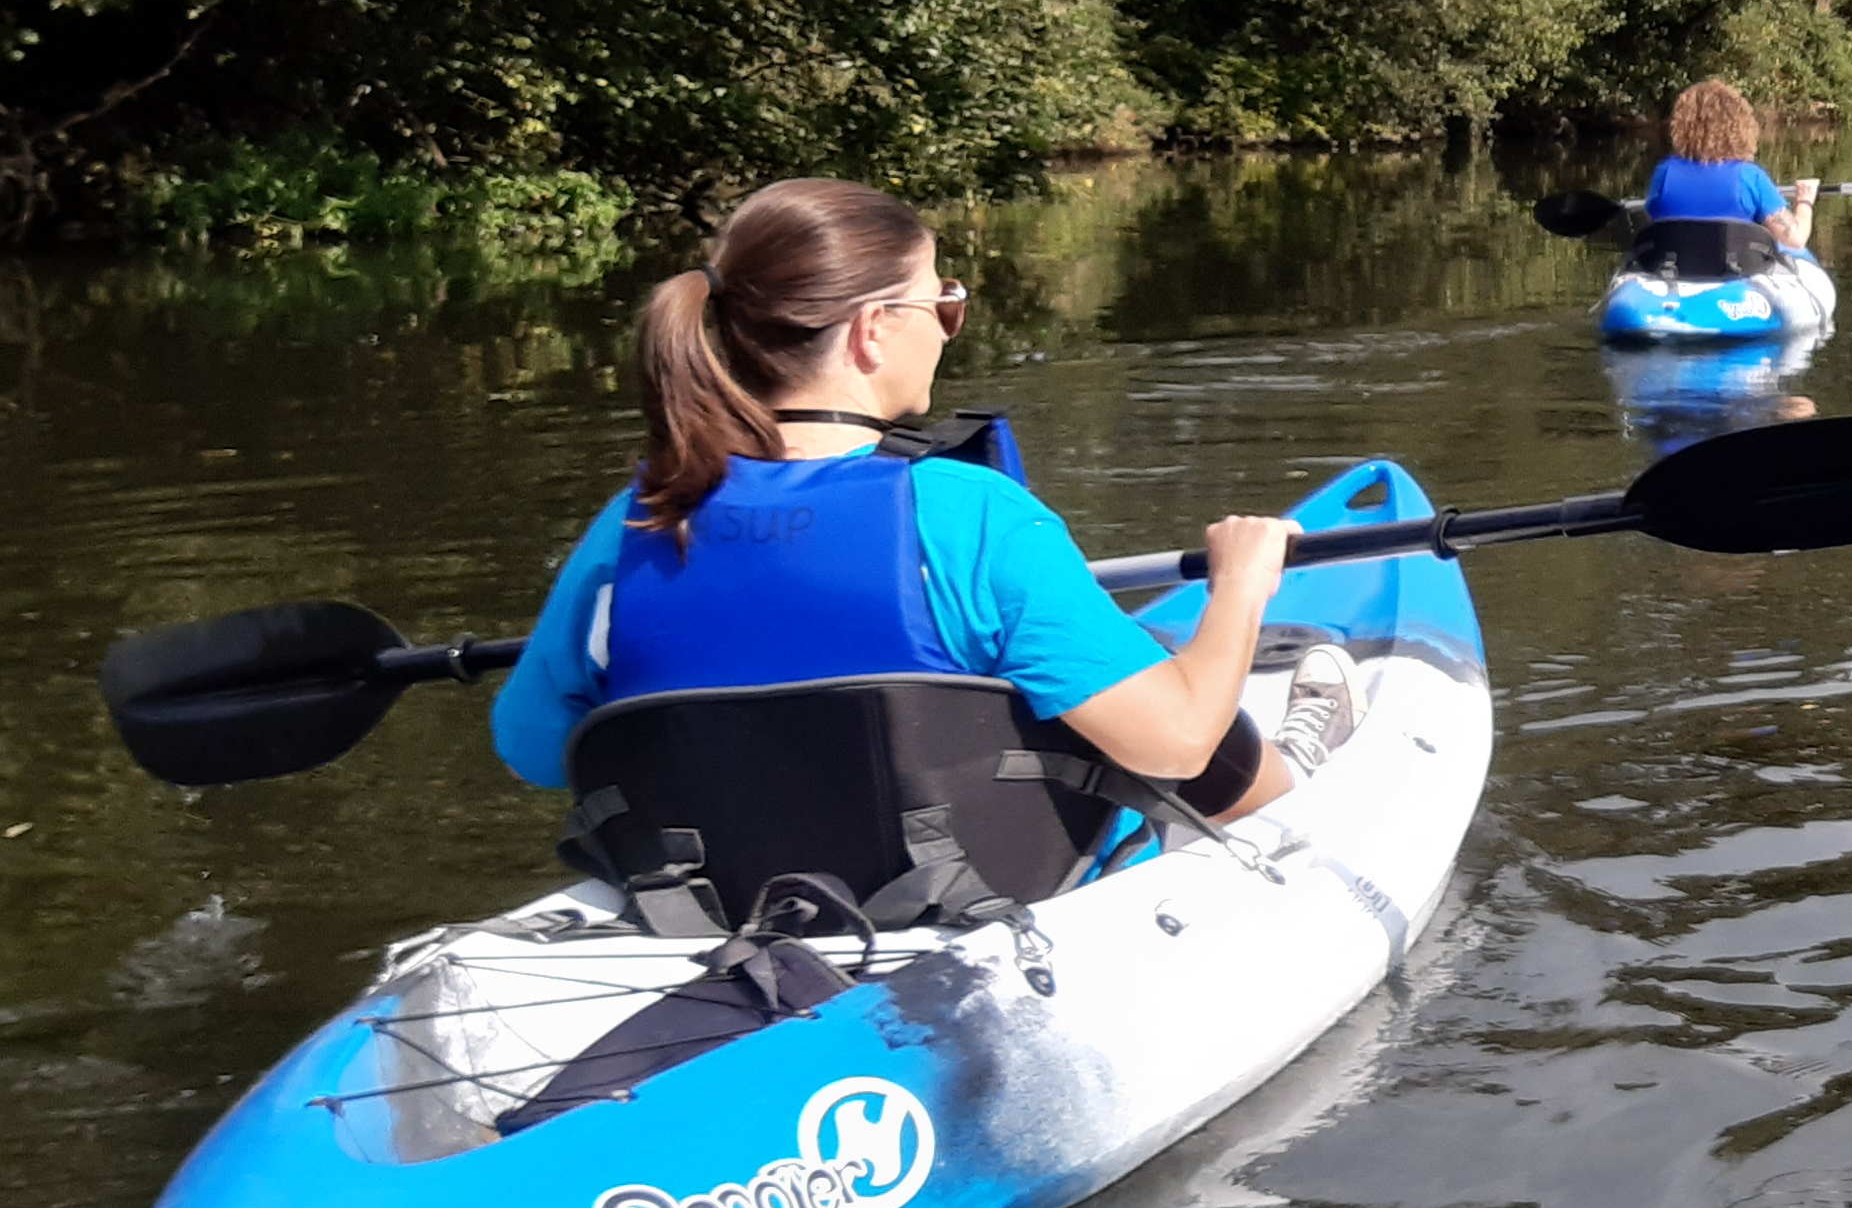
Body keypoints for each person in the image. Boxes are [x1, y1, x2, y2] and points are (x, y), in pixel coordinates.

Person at [490, 179, 1359, 824]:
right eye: (943, 301)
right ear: (874, 329)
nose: (948, 324)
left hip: (706, 886)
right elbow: (1178, 741)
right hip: (964, 882)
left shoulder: (639, 517)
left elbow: (532, 750)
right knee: (1120, 707)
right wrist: (1241, 584)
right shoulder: (970, 512)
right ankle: (1292, 768)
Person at [1644, 77, 1819, 254]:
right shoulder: (1749, 177)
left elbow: (1654, 219)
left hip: (1678, 265)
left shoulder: (1664, 173)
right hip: (1735, 267)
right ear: (1741, 127)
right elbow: (1795, 240)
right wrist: (1804, 200)